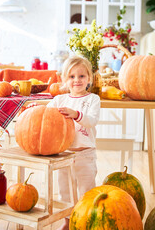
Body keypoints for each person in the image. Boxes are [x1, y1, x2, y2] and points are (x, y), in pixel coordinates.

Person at [47, 55, 100, 230]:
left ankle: (85, 221)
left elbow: (91, 120)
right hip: (64, 154)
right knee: (66, 191)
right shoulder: (59, 100)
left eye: (81, 76)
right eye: (72, 76)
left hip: (85, 154)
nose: (76, 80)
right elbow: (45, 116)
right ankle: (68, 221)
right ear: (64, 79)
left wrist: (76, 114)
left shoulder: (93, 99)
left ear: (89, 79)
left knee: (86, 190)